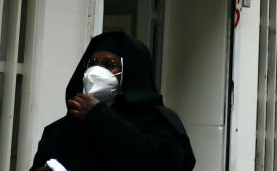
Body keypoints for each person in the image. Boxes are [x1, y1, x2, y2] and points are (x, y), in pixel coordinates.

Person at [29, 31, 196, 171]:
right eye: (92, 63)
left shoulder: (156, 120)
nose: (96, 70)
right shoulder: (62, 129)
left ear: (130, 74)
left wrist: (99, 116)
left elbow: (163, 163)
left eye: (109, 64)